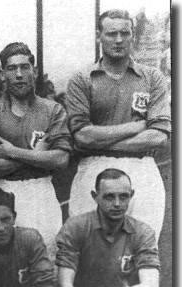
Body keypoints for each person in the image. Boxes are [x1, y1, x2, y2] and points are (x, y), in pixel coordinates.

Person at [66, 9, 170, 240]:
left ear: (133, 35)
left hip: (142, 168)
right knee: (91, 253)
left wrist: (98, 141)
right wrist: (135, 126)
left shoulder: (152, 77)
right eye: (112, 33)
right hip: (93, 169)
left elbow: (159, 137)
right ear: (99, 36)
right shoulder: (82, 79)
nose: (119, 39)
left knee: (140, 252)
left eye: (125, 33)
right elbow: (81, 137)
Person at [0, 43, 71, 259]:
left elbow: (60, 159)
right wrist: (38, 155)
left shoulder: (53, 110)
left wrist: (14, 152)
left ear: (34, 70)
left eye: (24, 67)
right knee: (3, 266)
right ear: (3, 74)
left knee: (45, 262)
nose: (19, 74)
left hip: (41, 193)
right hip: (2, 194)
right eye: (12, 69)